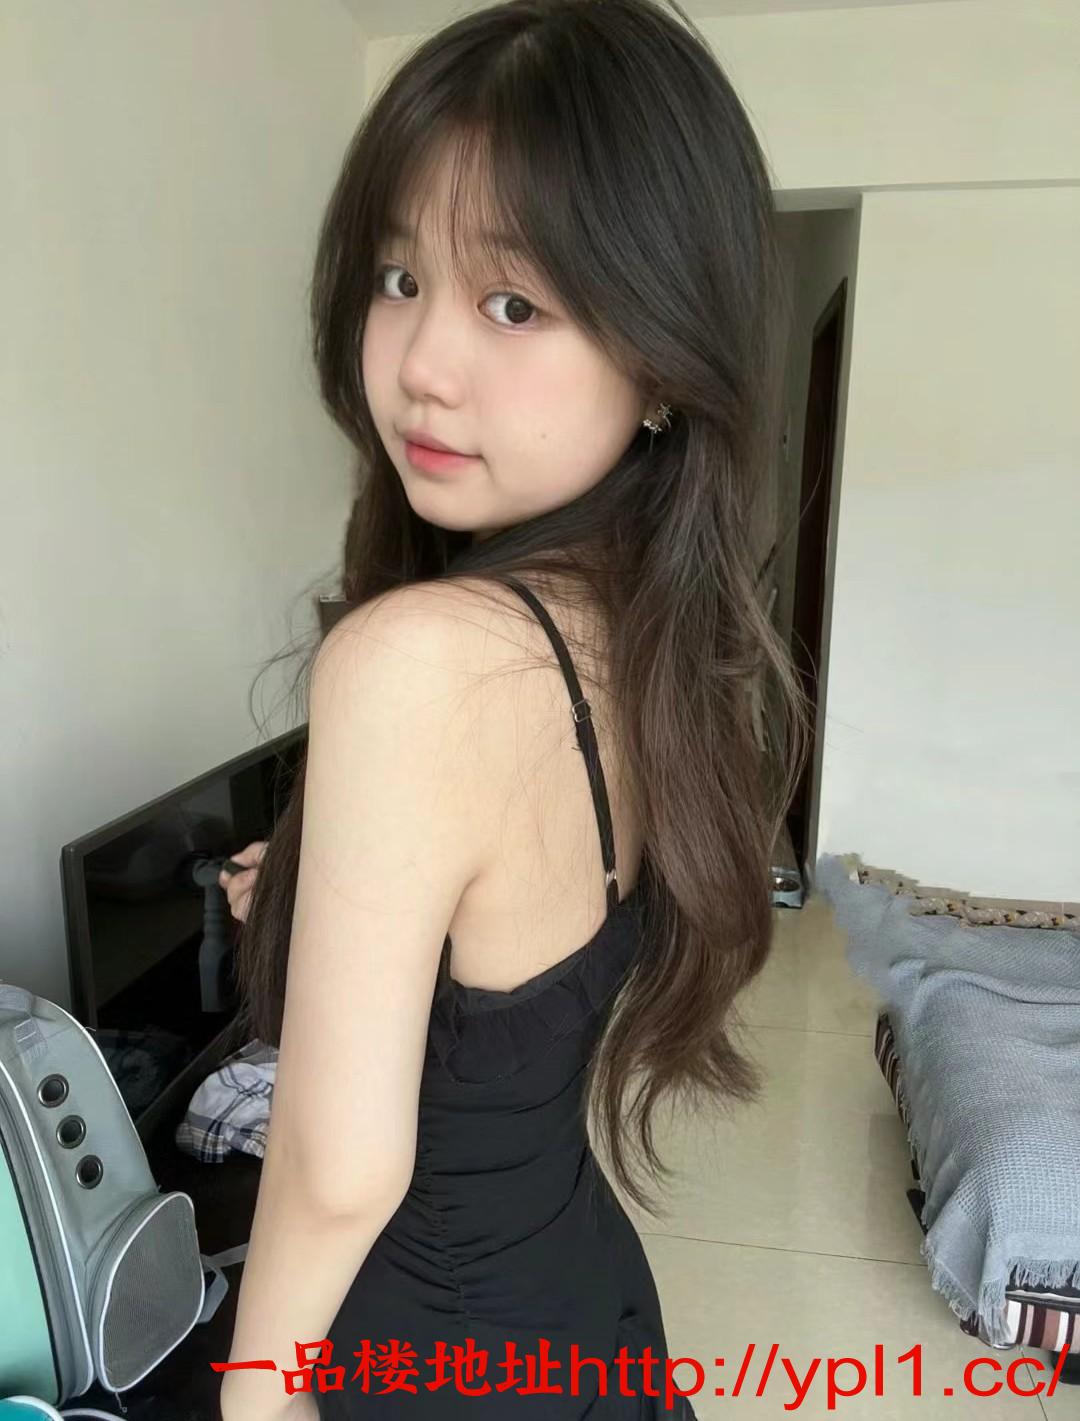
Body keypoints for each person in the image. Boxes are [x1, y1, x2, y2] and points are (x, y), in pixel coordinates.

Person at [217, 0, 807, 1416]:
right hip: (581, 1307)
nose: (421, 363)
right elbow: (515, 953)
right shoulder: (643, 635)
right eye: (399, 276)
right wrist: (311, 887)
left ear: (662, 359)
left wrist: (250, 1392)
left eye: (513, 304)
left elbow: (339, 1167)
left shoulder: (420, 661)